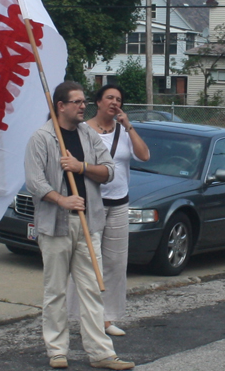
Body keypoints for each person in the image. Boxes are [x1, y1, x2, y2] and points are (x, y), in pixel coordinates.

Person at [25, 81, 135, 370]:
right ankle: (57, 350)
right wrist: (62, 200)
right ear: (60, 106)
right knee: (56, 291)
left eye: (84, 101)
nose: (83, 105)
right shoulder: (42, 138)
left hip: (89, 224)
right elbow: (35, 182)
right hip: (55, 226)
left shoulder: (88, 134)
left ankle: (101, 353)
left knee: (91, 290)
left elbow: (109, 171)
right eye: (76, 102)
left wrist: (81, 167)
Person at [87, 84, 150, 336]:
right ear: (98, 102)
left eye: (119, 99)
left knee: (115, 263)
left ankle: (107, 318)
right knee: (90, 264)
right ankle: (85, 316)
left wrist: (129, 126)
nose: (114, 102)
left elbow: (144, 155)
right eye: (109, 98)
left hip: (119, 203)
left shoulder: (123, 131)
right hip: (92, 204)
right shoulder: (84, 130)